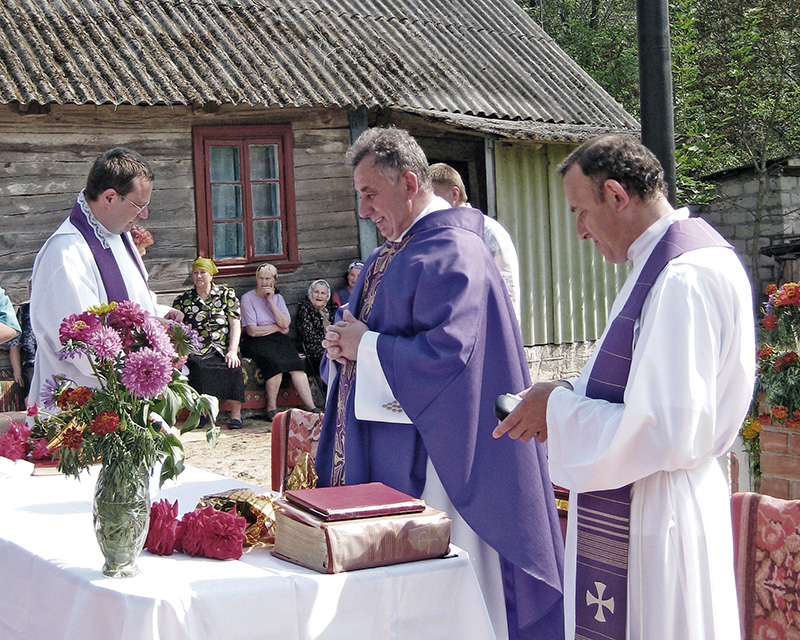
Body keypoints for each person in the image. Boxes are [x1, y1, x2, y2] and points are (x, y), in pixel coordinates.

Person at [493, 134, 754, 639]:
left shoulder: (682, 278)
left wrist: (558, 409)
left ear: (616, 195)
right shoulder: (673, 264)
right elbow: (647, 392)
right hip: (651, 499)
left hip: (657, 514)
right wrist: (570, 390)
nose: (580, 232)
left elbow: (665, 428)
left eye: (581, 212)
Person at [317, 127, 564, 640]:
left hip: (445, 464)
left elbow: (448, 359)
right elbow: (372, 335)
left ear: (409, 182)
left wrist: (365, 346)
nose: (363, 210)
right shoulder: (396, 251)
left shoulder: (454, 251)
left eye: (369, 194)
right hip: (399, 450)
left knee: (446, 607)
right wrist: (342, 346)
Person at [28, 148, 183, 406]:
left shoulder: (120, 236)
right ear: (110, 197)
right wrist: (149, 354)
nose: (144, 215)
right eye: (139, 205)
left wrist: (162, 318)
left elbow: (136, 301)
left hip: (126, 401)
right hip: (81, 408)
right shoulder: (66, 253)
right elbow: (82, 347)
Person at [430, 162, 521, 322]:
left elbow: (507, 292)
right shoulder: (442, 235)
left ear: (454, 194)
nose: (430, 206)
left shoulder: (488, 232)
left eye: (435, 198)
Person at [240, 263, 320, 421]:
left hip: (278, 340)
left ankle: (311, 406)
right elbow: (252, 331)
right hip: (255, 341)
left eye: (268, 278)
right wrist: (277, 327)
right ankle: (271, 408)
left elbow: (285, 326)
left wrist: (270, 301)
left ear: (274, 281)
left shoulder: (278, 298)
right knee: (274, 364)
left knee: (296, 366)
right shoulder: (248, 298)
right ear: (256, 279)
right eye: (261, 278)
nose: (264, 282)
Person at [172, 257, 245, 430]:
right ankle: (203, 412)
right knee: (198, 366)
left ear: (211, 275)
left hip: (222, 346)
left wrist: (232, 350)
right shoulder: (184, 300)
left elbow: (235, 324)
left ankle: (236, 414)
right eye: (195, 273)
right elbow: (177, 328)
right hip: (197, 348)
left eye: (203, 272)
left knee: (233, 366)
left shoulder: (226, 295)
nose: (199, 276)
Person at [295, 279, 338, 376]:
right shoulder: (305, 308)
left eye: (323, 293)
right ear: (311, 293)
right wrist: (329, 344)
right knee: (332, 357)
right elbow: (309, 336)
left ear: (327, 296)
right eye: (316, 292)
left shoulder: (333, 308)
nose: (319, 296)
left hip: (333, 344)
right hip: (314, 346)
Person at [7, 280, 36, 400]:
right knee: (30, 397)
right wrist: (17, 371)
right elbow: (15, 345)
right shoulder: (24, 311)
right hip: (31, 363)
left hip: (52, 359)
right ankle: (30, 418)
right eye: (31, 289)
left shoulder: (52, 310)